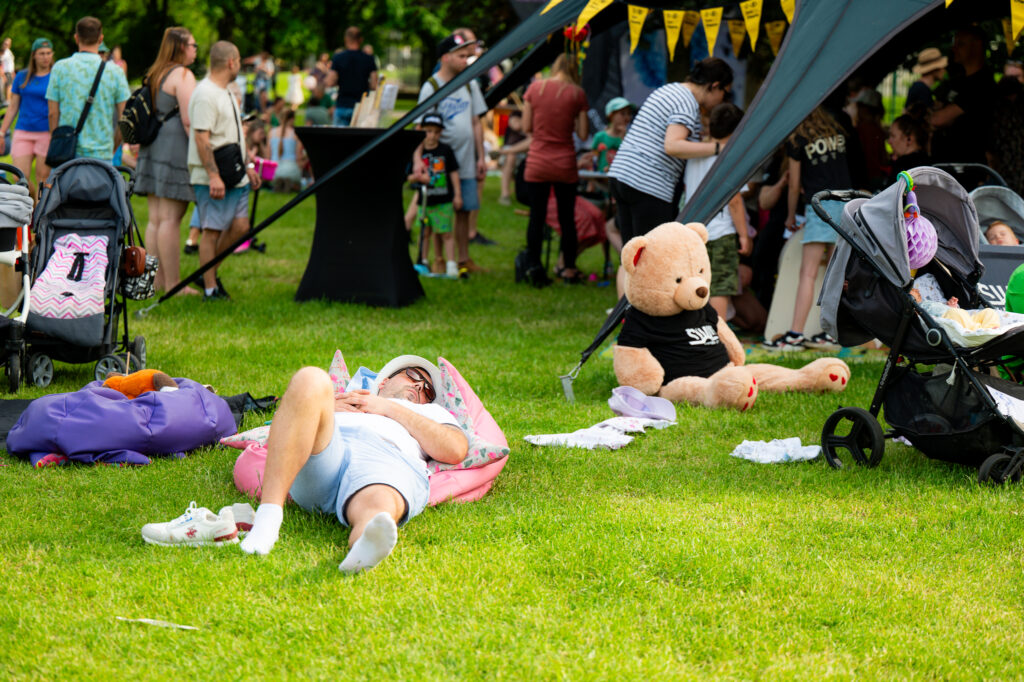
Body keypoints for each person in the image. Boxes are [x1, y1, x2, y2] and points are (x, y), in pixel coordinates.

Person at [237, 356, 468, 573]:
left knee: (378, 506)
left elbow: (455, 448)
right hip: (329, 449)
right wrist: (321, 408)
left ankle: (363, 546)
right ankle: (268, 519)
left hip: (386, 458)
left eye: (428, 390)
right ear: (385, 380)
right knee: (311, 378)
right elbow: (289, 420)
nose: (419, 387)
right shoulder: (343, 398)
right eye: (413, 375)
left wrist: (387, 408)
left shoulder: (430, 412)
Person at [608, 58, 733, 245]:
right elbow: (673, 145)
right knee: (652, 257)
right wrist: (718, 148)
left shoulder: (671, 90)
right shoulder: (687, 102)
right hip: (647, 183)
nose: (723, 100)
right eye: (725, 93)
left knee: (632, 255)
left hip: (623, 174)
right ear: (714, 86)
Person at [763, 106, 852, 351]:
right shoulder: (836, 129)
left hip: (820, 204)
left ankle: (795, 335)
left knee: (808, 273)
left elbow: (794, 185)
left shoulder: (797, 139)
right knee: (837, 274)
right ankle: (833, 334)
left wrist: (791, 215)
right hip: (846, 204)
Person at [187, 40, 261, 301]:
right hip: (214, 176)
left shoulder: (226, 92)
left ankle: (207, 272)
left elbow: (235, 134)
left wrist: (248, 165)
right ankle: (210, 289)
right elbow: (201, 138)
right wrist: (213, 175)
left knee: (241, 227)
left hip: (235, 173)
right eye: (239, 60)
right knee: (212, 230)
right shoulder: (205, 93)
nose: (239, 65)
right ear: (231, 62)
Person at [135, 27, 199, 297]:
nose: (196, 49)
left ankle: (157, 282)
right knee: (171, 219)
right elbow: (189, 119)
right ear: (180, 47)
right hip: (174, 147)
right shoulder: (182, 75)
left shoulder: (155, 72)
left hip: (153, 146)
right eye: (193, 45)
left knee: (156, 219)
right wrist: (202, 154)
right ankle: (174, 285)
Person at [417, 33, 487, 278]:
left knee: (465, 209)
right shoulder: (432, 87)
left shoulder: (470, 83)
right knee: (441, 211)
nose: (466, 60)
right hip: (441, 164)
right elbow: (419, 126)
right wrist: (418, 161)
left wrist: (481, 156)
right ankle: (439, 258)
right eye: (461, 56)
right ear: (445, 57)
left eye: (468, 56)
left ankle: (463, 258)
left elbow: (476, 121)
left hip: (467, 159)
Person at [521, 53, 588, 287]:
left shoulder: (535, 89)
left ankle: (534, 267)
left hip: (537, 161)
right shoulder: (577, 94)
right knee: (566, 218)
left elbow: (526, 126)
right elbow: (582, 134)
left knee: (536, 218)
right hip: (564, 162)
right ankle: (568, 268)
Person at [682, 103, 751, 320]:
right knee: (720, 286)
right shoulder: (730, 158)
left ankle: (696, 333)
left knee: (696, 284)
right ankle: (717, 336)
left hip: (693, 232)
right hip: (721, 232)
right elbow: (735, 201)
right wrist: (743, 235)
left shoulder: (696, 154)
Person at [45, 17, 130, 162]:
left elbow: (53, 113)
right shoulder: (115, 72)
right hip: (102, 154)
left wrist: (57, 141)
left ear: (76, 38)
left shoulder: (60, 67)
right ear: (100, 38)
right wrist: (113, 146)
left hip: (67, 153)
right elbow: (124, 117)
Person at [929, 26, 996, 164]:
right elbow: (936, 113)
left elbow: (938, 119)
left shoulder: (981, 83)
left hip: (967, 165)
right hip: (947, 162)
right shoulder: (958, 81)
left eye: (961, 44)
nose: (954, 49)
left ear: (977, 46)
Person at [0, 38, 54, 199]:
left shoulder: (55, 76)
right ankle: (32, 208)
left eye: (48, 53)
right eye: (41, 53)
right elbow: (13, 107)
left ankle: (38, 221)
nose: (45, 57)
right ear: (34, 55)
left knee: (43, 180)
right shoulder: (22, 76)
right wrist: (2, 132)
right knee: (19, 178)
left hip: (47, 132)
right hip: (24, 130)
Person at [411, 112, 462, 276]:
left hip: (444, 200)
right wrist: (418, 177)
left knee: (446, 232)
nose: (432, 135)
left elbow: (453, 173)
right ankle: (423, 261)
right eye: (428, 131)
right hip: (425, 201)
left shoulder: (446, 150)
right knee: (424, 233)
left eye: (436, 132)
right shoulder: (417, 154)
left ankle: (452, 265)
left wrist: (458, 195)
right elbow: (408, 177)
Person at [327, 27, 377, 126]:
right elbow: (374, 85)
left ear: (346, 39)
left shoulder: (338, 58)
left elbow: (330, 81)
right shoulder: (369, 59)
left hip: (343, 104)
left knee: (339, 139)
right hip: (361, 107)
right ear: (361, 40)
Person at [852, 89, 886, 190]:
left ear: (865, 108)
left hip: (866, 177)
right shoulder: (878, 129)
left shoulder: (861, 129)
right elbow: (883, 158)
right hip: (878, 175)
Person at [591, 97, 633, 174]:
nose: (627, 118)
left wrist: (624, 138)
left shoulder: (630, 138)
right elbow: (594, 162)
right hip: (601, 181)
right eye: (623, 113)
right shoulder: (600, 137)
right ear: (611, 115)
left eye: (629, 114)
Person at [268, 109, 304, 192]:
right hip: (290, 168)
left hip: (274, 169)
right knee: (297, 184)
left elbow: (268, 155)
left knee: (280, 175)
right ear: (292, 119)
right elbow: (298, 156)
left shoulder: (271, 132)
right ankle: (290, 184)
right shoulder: (295, 133)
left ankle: (280, 183)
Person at [887, 114, 930, 181]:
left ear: (909, 139)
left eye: (893, 136)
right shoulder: (928, 163)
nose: (889, 141)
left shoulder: (902, 166)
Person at [905, 47, 947, 114]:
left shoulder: (920, 87)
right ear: (934, 69)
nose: (944, 70)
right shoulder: (921, 89)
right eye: (942, 67)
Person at [1, 38, 13, 104]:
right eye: (5, 43)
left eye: (8, 44)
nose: (6, 45)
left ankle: (7, 100)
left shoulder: (8, 52)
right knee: (8, 86)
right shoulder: (4, 52)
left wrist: (12, 72)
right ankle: (7, 100)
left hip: (10, 72)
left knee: (9, 86)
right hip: (6, 72)